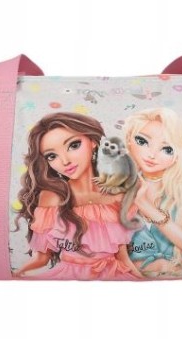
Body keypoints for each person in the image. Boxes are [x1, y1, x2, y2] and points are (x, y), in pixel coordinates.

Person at [12, 111, 144, 280]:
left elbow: (123, 258)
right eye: (52, 156)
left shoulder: (117, 195)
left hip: (114, 275)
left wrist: (144, 283)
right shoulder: (53, 197)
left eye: (73, 145)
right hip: (69, 277)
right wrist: (13, 276)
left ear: (93, 141)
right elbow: (41, 259)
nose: (65, 161)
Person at [123, 107, 182, 277]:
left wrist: (146, 207)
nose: (152, 155)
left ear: (178, 155)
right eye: (142, 141)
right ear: (129, 140)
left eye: (167, 149)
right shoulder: (117, 185)